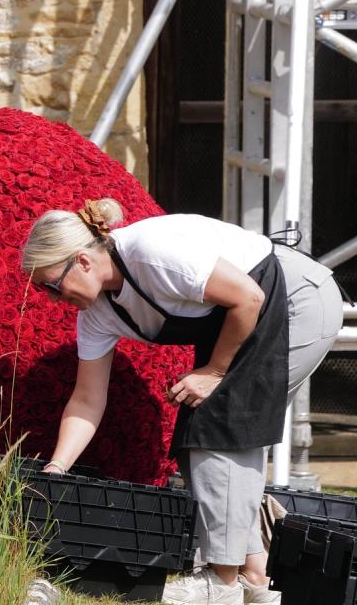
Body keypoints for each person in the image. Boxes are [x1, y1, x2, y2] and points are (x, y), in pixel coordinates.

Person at [21, 199, 341, 605]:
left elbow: (248, 298)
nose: (52, 299)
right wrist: (57, 468)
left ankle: (220, 582)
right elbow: (87, 399)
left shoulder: (153, 253)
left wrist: (215, 372)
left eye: (51, 285)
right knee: (202, 432)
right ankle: (254, 579)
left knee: (222, 423)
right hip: (250, 311)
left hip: (293, 299)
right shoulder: (97, 314)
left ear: (82, 261)